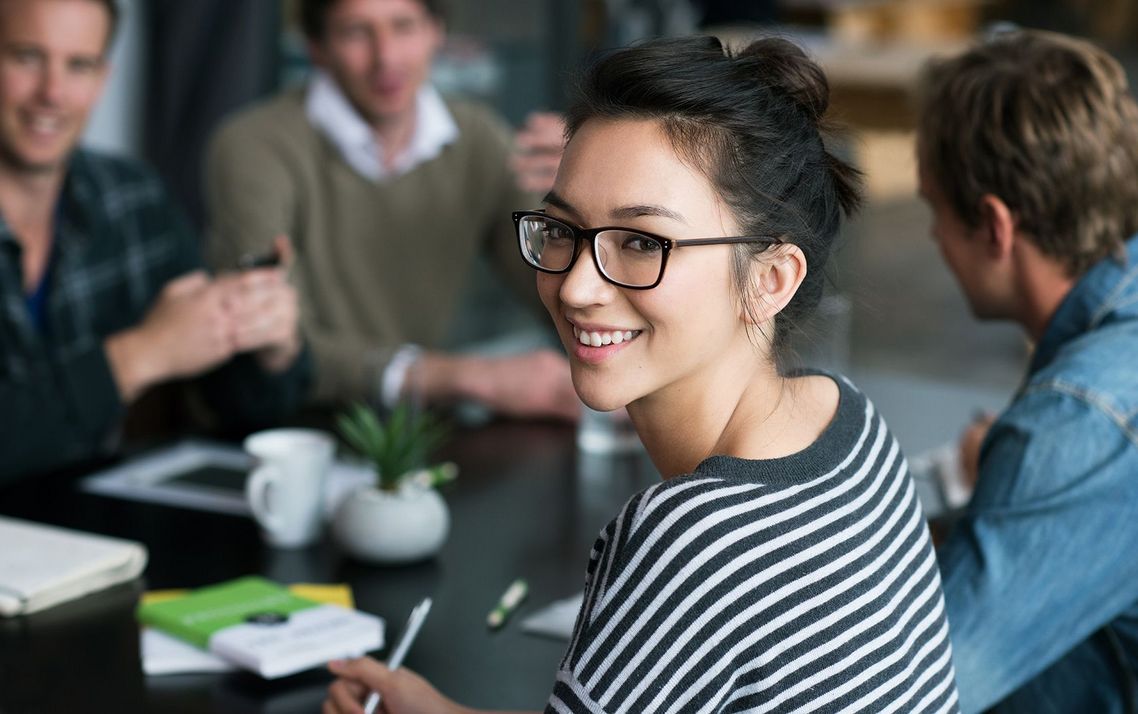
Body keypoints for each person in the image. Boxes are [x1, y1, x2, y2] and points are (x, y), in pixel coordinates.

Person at [323, 35, 960, 713]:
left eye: (641, 243)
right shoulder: (849, 422)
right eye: (562, 230)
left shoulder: (692, 539)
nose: (575, 288)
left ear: (771, 279)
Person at [205, 0, 578, 420]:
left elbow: (557, 297)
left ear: (436, 31)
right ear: (317, 47)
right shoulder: (254, 145)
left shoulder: (478, 138)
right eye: (355, 32)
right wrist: (469, 376)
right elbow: (275, 341)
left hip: (412, 433)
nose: (386, 57)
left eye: (403, 26)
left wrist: (584, 205)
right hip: (286, 429)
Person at [915, 30, 1138, 713]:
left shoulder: (1075, 420)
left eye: (935, 212)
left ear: (994, 226)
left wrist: (1032, 465)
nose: (931, 238)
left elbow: (923, 690)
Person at [0, 0, 308, 484]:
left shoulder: (132, 198)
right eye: (26, 58)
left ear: (103, 78)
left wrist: (266, 345)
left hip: (95, 534)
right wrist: (140, 355)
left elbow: (238, 409)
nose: (52, 93)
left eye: (79, 65)